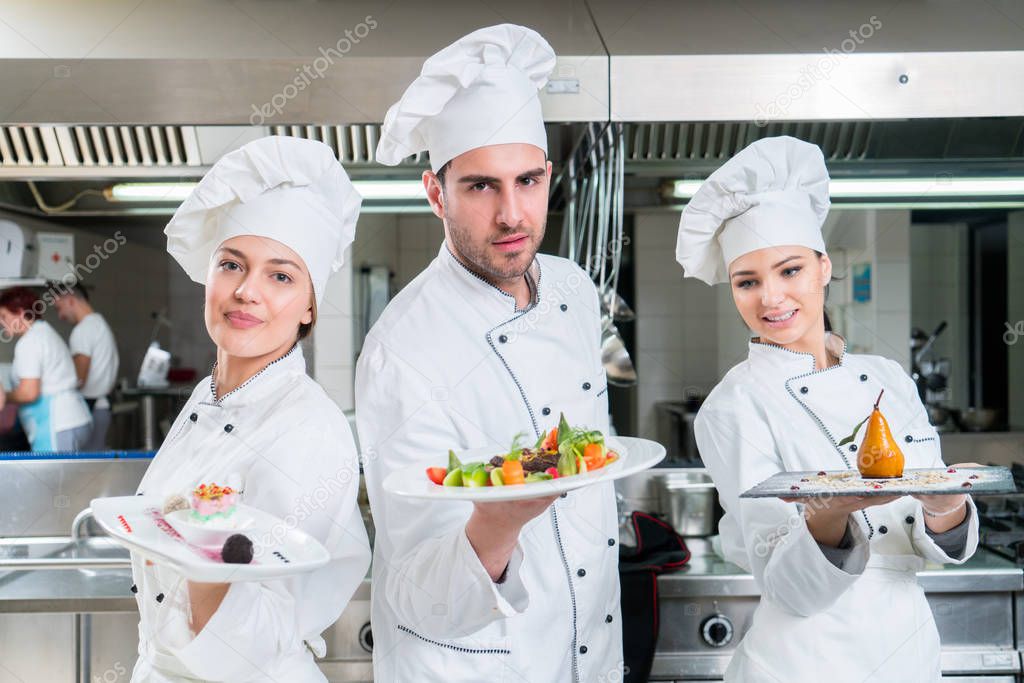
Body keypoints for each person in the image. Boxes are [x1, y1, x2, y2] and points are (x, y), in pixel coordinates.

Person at [356, 24, 622, 683]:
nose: (512, 214)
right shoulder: (401, 347)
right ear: (435, 192)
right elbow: (415, 588)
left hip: (589, 651)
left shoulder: (574, 290)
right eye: (480, 186)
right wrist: (496, 525)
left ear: (549, 176)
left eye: (528, 180)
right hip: (472, 665)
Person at [676, 136, 979, 682]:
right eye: (748, 281)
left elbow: (940, 543)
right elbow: (789, 587)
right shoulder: (732, 406)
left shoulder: (888, 378)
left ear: (823, 268)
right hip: (804, 659)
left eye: (789, 270)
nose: (770, 298)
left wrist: (945, 507)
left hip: (909, 650)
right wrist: (830, 514)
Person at [129, 136, 371, 682]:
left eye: (281, 275)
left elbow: (253, 642)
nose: (246, 292)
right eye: (232, 265)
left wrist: (208, 564)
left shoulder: (310, 428)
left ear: (309, 303)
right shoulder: (210, 398)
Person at [0, 286, 91, 450]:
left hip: (57, 424)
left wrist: (4, 396)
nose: (1, 322)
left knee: (57, 476)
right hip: (75, 419)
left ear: (20, 313)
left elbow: (29, 393)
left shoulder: (29, 342)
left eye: (4, 316)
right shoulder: (44, 332)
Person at [54, 282, 119, 450]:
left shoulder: (83, 330)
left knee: (86, 469)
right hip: (102, 407)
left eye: (58, 308)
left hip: (91, 410)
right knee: (94, 466)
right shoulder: (99, 324)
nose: (60, 316)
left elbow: (78, 379)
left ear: (70, 300)